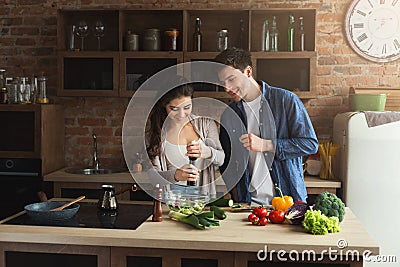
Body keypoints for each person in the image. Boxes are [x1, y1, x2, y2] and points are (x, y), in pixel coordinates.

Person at [214, 47, 318, 204]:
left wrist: (267, 145)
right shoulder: (229, 114)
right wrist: (236, 196)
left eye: (231, 79)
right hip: (247, 204)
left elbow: (310, 144)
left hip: (287, 201)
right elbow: (227, 162)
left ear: (248, 72)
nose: (226, 88)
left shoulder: (286, 100)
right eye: (222, 83)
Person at [146, 79, 225, 196]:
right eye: (174, 109)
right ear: (164, 105)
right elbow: (153, 177)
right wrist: (176, 175)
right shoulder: (155, 133)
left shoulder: (206, 124)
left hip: (202, 198)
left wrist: (207, 151)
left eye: (187, 107)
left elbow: (221, 159)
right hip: (170, 200)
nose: (181, 114)